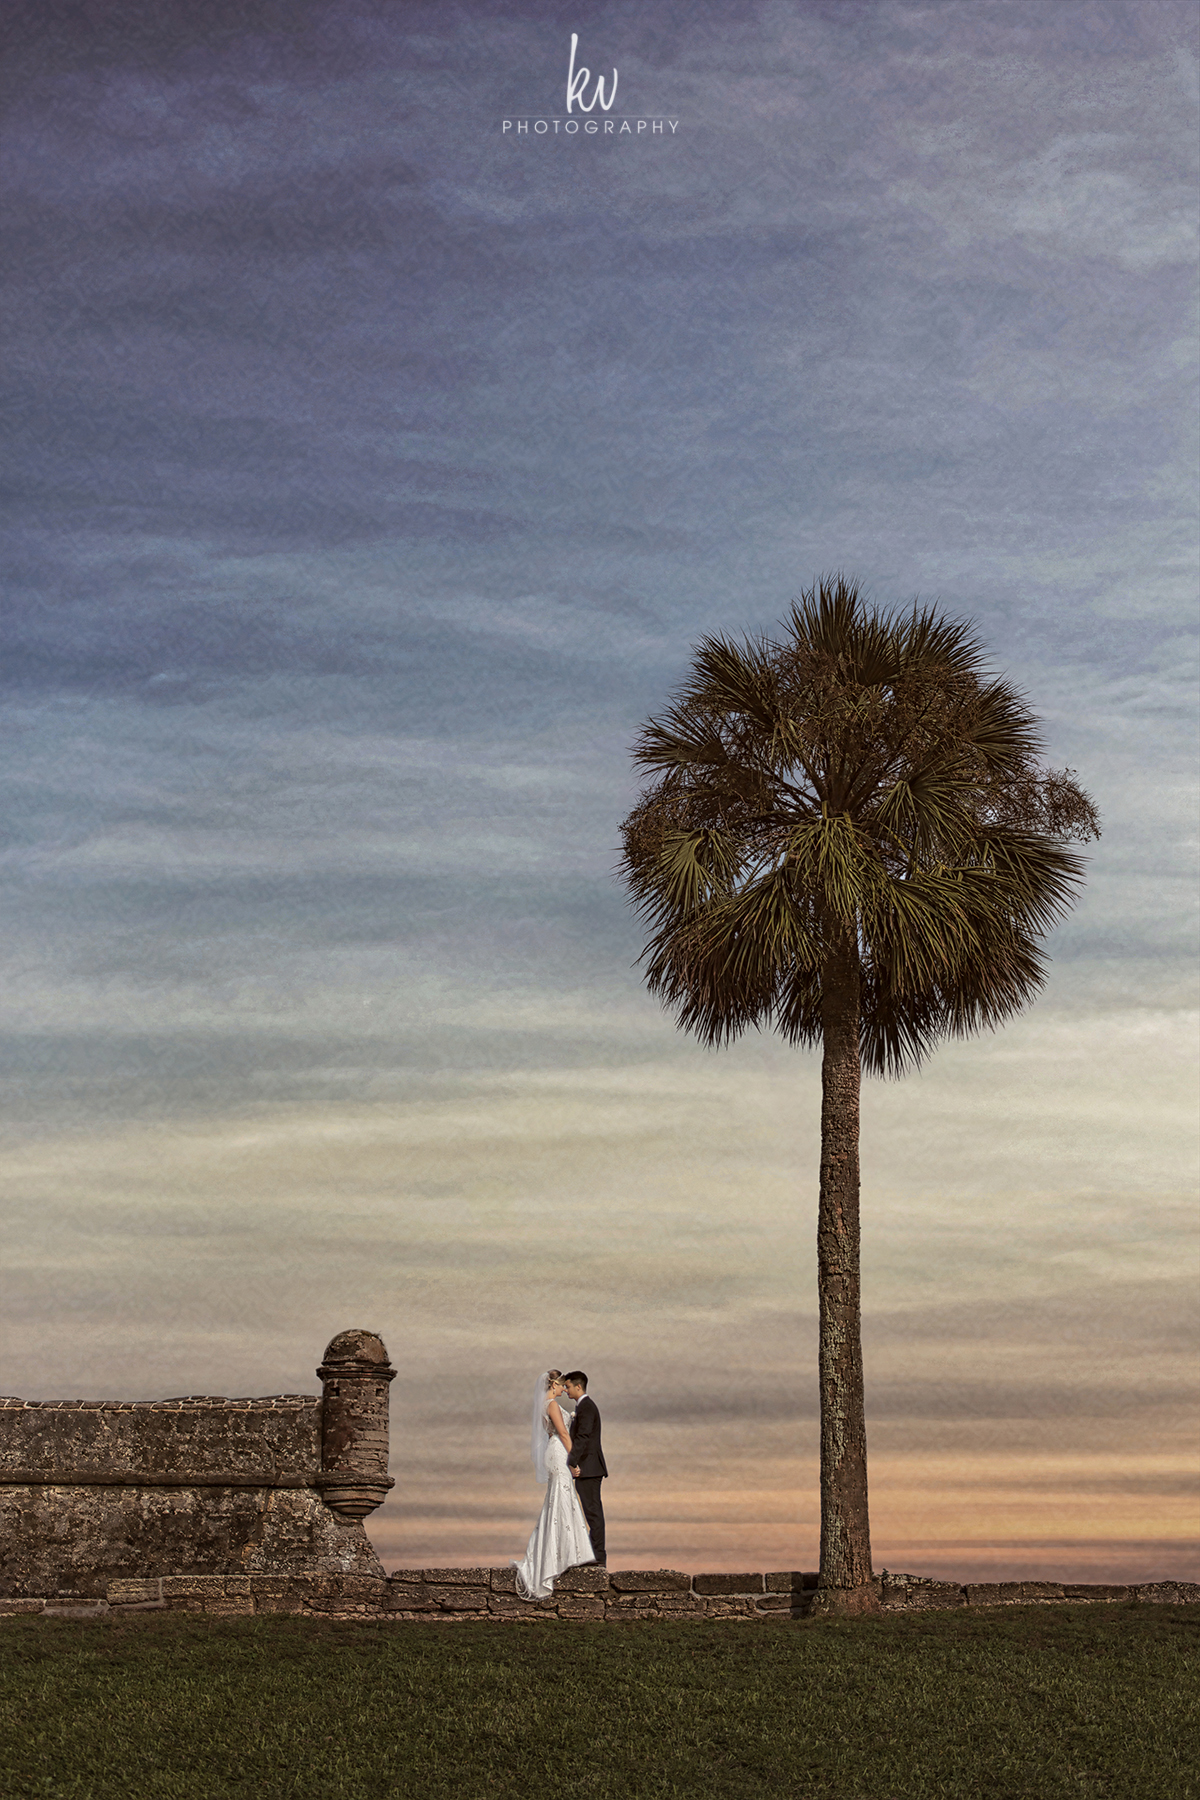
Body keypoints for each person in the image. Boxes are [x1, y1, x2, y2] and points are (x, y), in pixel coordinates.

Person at [512, 1369, 595, 1600]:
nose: (564, 1389)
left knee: (559, 1502)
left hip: (554, 1451)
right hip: (560, 1453)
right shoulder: (551, 1405)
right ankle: (557, 1558)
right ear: (554, 1384)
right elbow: (563, 1434)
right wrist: (573, 1461)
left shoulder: (545, 1406)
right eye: (562, 1385)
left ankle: (563, 1553)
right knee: (560, 1499)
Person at [563, 1370, 607, 1567]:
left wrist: (571, 1461)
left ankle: (597, 1557)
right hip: (588, 1467)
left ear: (578, 1386)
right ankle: (593, 1555)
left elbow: (583, 1437)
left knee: (593, 1512)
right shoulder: (583, 1407)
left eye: (568, 1386)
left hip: (589, 1468)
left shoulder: (586, 1407)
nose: (565, 1389)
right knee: (591, 1512)